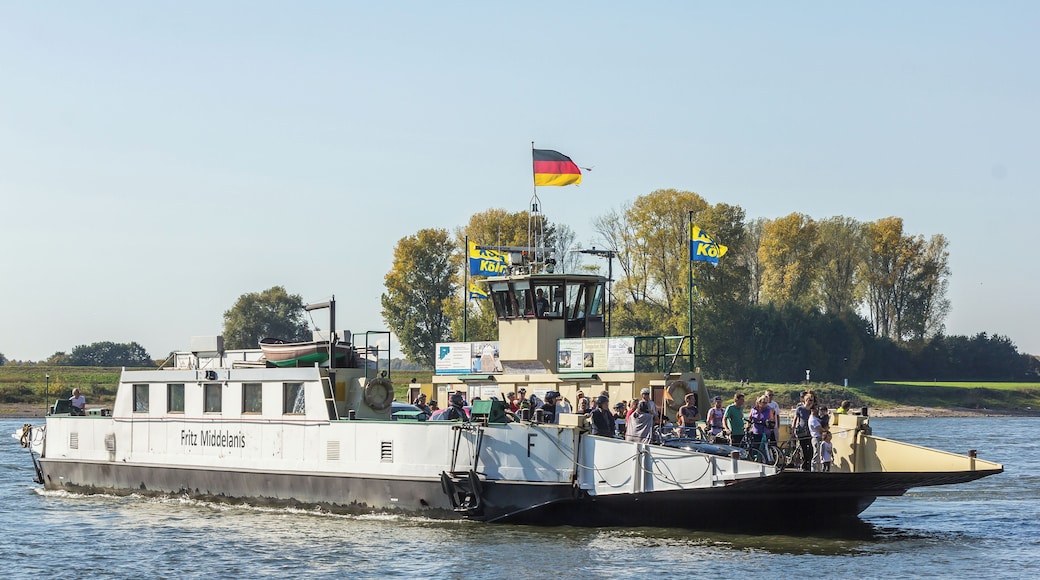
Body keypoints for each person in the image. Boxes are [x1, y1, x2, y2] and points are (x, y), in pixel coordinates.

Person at [792, 393, 814, 471]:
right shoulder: (800, 409)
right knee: (803, 448)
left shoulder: (813, 410)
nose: (810, 402)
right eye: (809, 400)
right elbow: (795, 419)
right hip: (801, 432)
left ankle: (809, 464)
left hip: (810, 432)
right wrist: (793, 429)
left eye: (812, 400)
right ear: (805, 400)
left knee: (811, 449)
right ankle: (804, 465)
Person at [808, 405, 827, 471]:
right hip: (816, 438)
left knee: (820, 454)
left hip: (819, 438)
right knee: (817, 454)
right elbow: (820, 429)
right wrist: (826, 431)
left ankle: (818, 469)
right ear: (812, 410)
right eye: (816, 409)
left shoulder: (816, 418)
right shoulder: (813, 419)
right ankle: (814, 470)